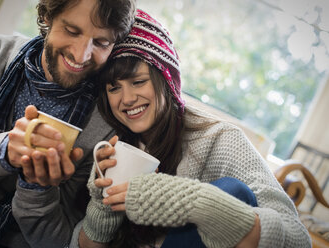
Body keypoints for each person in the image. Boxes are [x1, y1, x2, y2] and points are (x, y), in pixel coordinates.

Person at [70, 9, 311, 248]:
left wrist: (199, 204)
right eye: (114, 88)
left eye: (138, 82)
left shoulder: (220, 140)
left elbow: (298, 240)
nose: (127, 99)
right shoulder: (113, 143)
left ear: (166, 80)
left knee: (231, 191)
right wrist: (103, 205)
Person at [0, 0, 135, 247]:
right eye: (72, 31)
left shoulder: (105, 124)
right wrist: (3, 151)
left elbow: (58, 241)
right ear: (48, 16)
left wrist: (39, 189)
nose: (81, 54)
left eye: (101, 43)